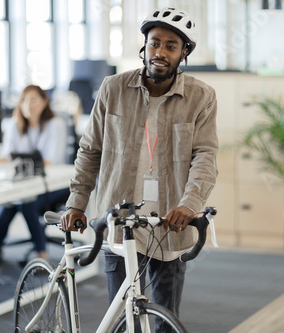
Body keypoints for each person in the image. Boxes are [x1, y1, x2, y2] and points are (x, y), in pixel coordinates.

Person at [61, 7, 218, 325]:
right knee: (119, 318)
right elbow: (90, 150)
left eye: (171, 45)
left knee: (166, 319)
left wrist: (190, 204)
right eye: (154, 42)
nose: (160, 52)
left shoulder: (201, 97)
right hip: (119, 221)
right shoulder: (112, 89)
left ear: (184, 52)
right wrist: (77, 202)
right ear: (144, 45)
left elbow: (205, 157)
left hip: (168, 224)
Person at [0, 85, 70, 261]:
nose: (28, 104)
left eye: (33, 99)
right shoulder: (13, 125)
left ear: (44, 102)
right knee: (12, 202)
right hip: (26, 185)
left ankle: (41, 253)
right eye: (24, 100)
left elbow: (51, 161)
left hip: (55, 184)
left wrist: (16, 162)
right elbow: (5, 156)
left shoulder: (55, 124)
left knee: (24, 202)